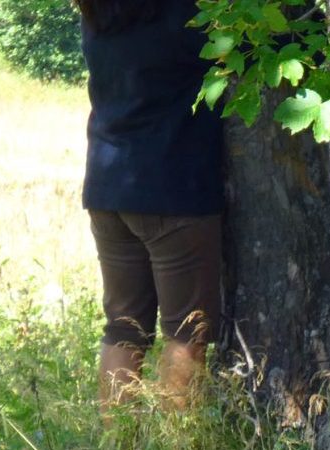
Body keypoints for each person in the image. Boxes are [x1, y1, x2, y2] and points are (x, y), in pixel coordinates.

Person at [75, 0, 224, 412]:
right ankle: (179, 440)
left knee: (123, 330)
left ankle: (117, 442)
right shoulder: (187, 14)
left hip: (109, 188)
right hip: (172, 189)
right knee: (186, 334)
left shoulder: (98, 14)